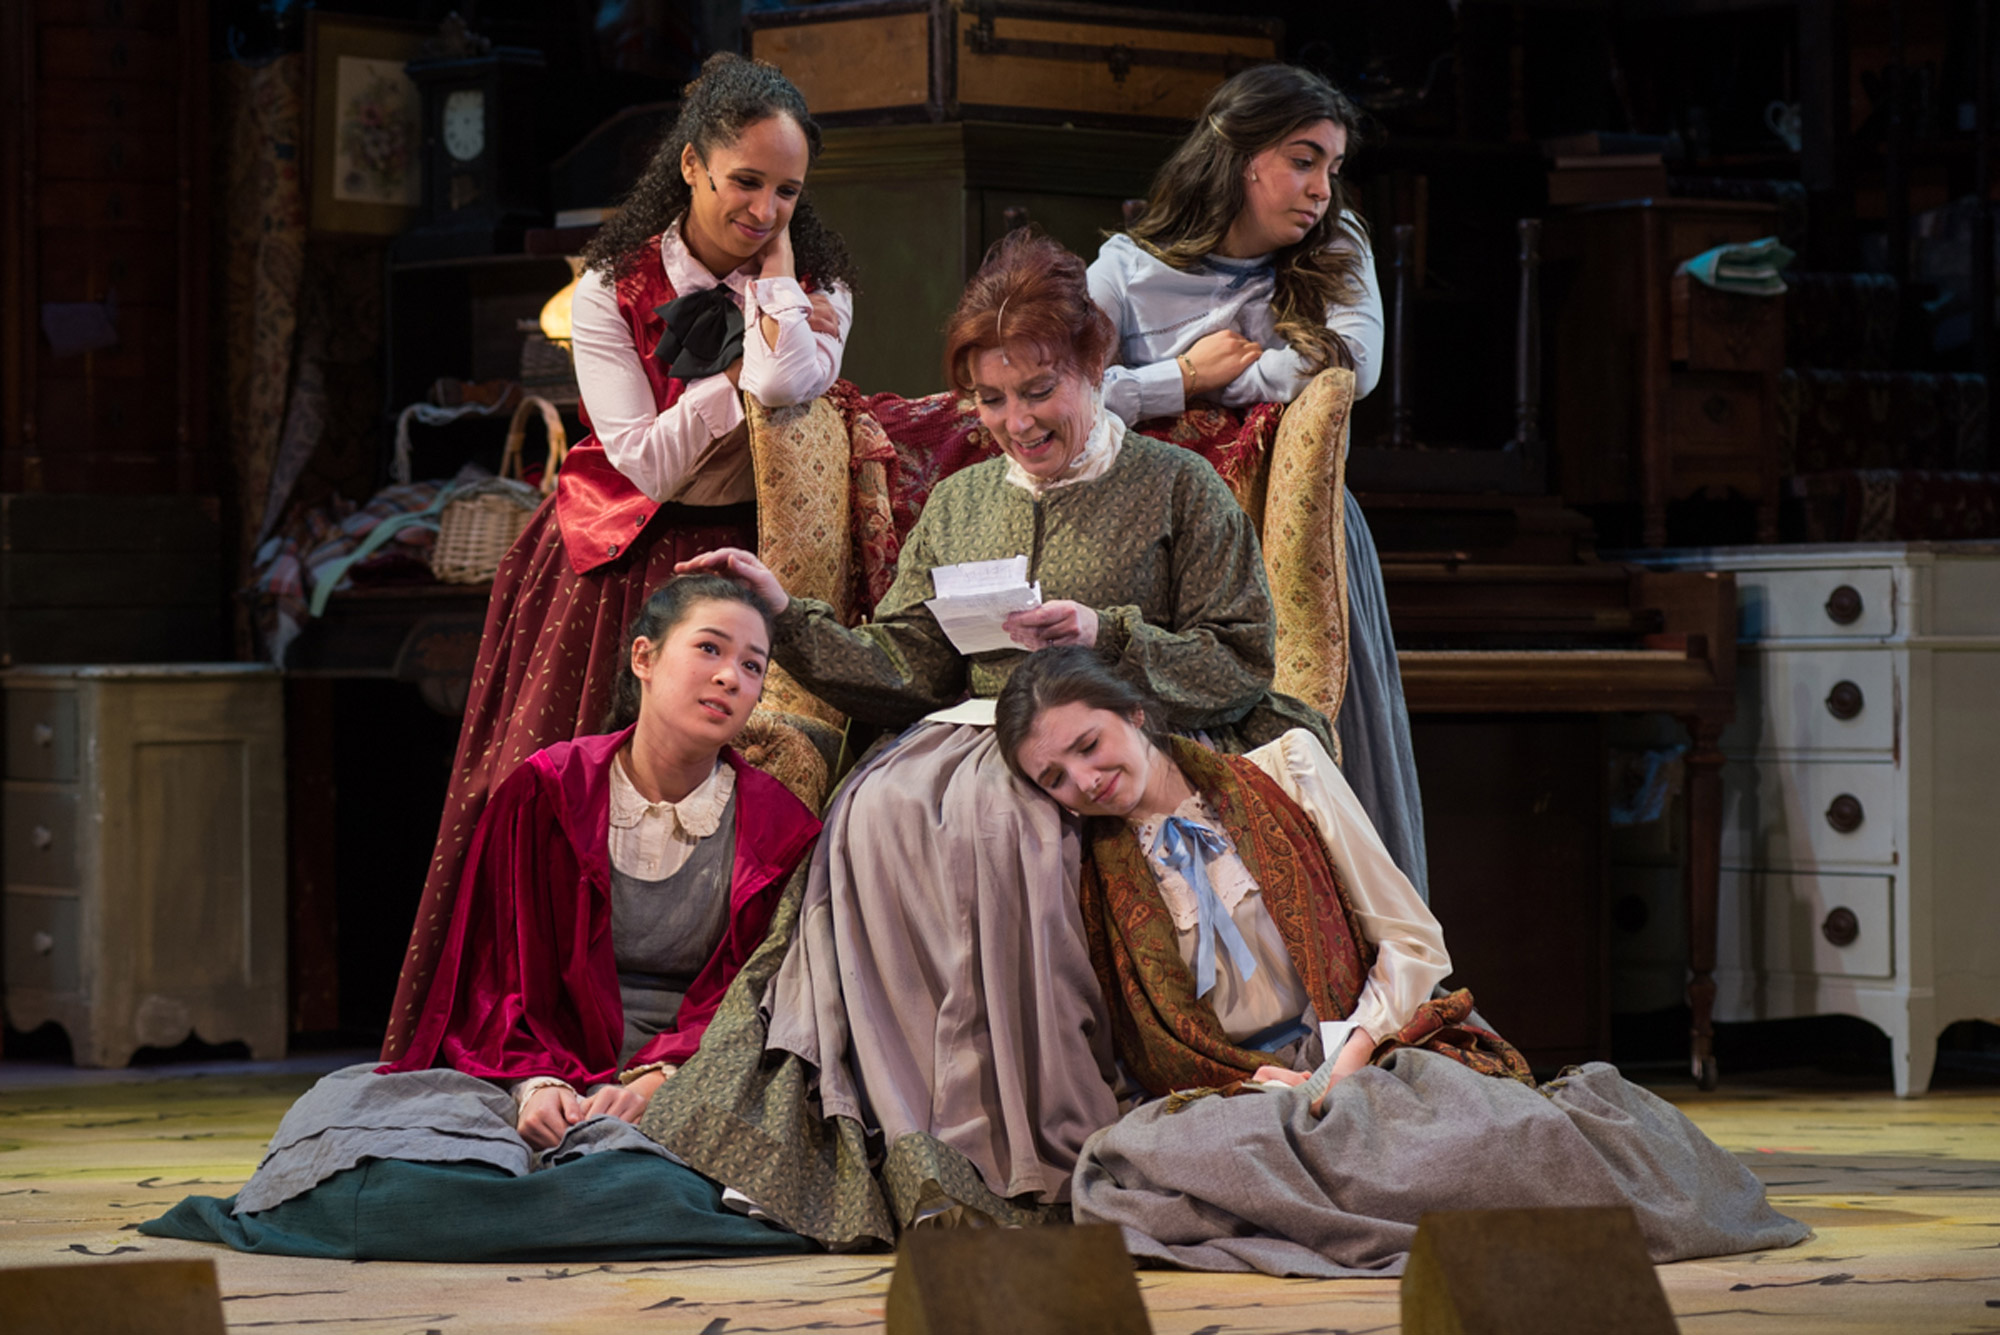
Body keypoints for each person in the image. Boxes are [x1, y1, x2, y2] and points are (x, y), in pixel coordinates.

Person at [672, 229, 1332, 1229]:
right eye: (990, 399)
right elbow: (906, 664)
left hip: (1109, 740)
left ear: (1094, 367)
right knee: (871, 812)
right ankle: (907, 1130)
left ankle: (1020, 1141)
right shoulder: (956, 500)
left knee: (1006, 829)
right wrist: (782, 611)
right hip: (957, 732)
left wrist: (1103, 635)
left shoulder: (1174, 487)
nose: (1013, 421)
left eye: (1037, 391)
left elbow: (1238, 659)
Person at [993, 646, 1810, 1277]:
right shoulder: (1087, 866)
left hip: (1374, 1045)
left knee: (1486, 1138)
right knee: (1134, 1168)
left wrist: (1345, 1059)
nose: (1085, 781)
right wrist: (1257, 1083)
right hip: (1235, 1088)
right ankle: (1333, 1177)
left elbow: (1414, 942)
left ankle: (1363, 1187)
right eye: (1054, 777)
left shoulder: (1286, 772)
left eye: (1090, 745)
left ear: (1136, 712)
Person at [381, 53, 856, 1061]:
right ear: (691, 166)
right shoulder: (607, 289)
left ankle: (689, 1052)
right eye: (745, 182)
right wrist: (734, 376)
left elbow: (786, 390)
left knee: (740, 804)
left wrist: (770, 300)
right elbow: (639, 459)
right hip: (611, 559)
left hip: (741, 555)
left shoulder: (820, 284)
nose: (766, 207)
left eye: (786, 190)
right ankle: (503, 1045)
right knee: (535, 792)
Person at [141, 576, 823, 1261]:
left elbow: (753, 997)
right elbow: (495, 975)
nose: (729, 676)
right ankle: (575, 1198)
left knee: (685, 1158)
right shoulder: (547, 790)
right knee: (352, 1125)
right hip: (531, 1058)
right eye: (710, 648)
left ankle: (573, 1194)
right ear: (643, 657)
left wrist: (661, 1078)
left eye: (752, 665)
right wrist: (539, 1083)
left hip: (696, 1076)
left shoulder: (779, 827)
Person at [1086, 63, 1429, 901]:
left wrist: (1219, 379)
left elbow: (1349, 363)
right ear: (1242, 157)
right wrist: (1180, 378)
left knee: (1321, 754)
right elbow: (1075, 395)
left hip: (1296, 538)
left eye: (1333, 169)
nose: (1321, 189)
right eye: (1303, 160)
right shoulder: (1127, 270)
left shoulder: (1337, 244)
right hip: (1165, 548)